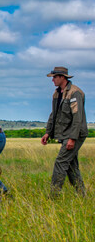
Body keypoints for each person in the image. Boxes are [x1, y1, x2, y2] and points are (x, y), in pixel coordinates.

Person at [41, 67, 88, 198]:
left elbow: (77, 118)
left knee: (60, 163)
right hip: (65, 133)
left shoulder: (75, 93)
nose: (52, 80)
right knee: (71, 166)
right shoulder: (56, 94)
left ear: (63, 77)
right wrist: (48, 132)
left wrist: (73, 138)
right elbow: (53, 114)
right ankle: (82, 196)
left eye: (54, 77)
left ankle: (54, 196)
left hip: (75, 133)